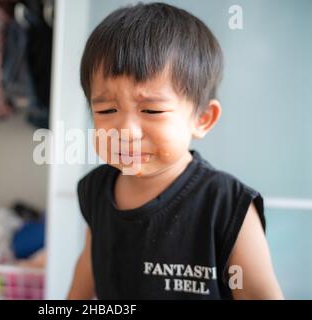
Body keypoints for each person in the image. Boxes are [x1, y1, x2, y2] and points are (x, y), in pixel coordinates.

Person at [67, 2, 283, 299]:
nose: (126, 132)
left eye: (152, 110)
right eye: (106, 109)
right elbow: (90, 262)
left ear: (202, 118)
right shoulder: (95, 189)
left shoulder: (226, 204)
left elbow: (259, 295)